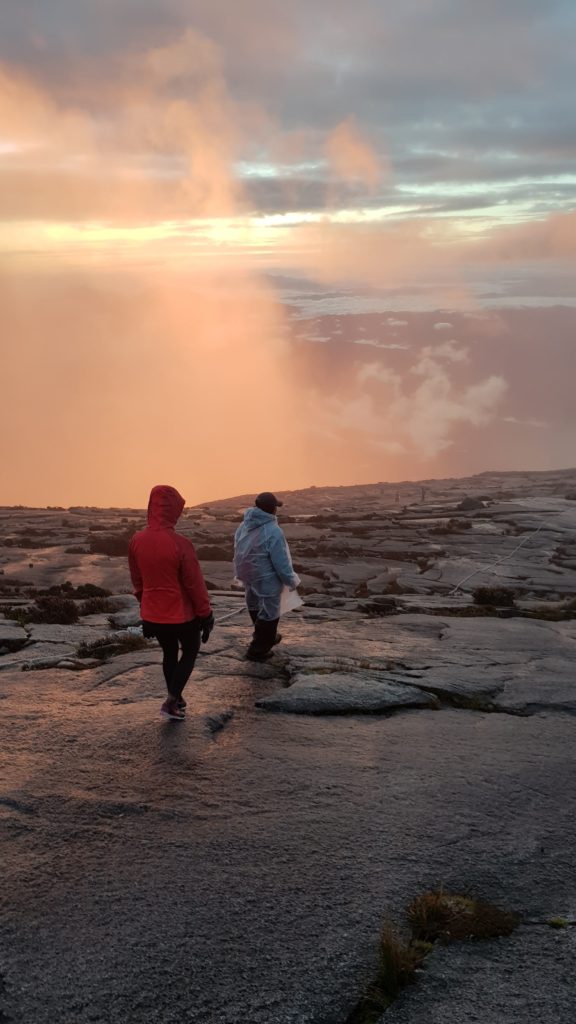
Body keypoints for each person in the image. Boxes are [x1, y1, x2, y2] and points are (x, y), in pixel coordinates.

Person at [128, 484, 214, 720]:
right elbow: (194, 583)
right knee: (190, 650)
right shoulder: (180, 543)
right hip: (181, 614)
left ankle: (176, 696)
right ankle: (171, 702)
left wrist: (144, 605)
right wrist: (205, 614)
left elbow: (137, 579)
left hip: (153, 613)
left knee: (169, 652)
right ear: (174, 509)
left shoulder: (136, 540)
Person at [234, 491, 300, 662]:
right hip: (266, 576)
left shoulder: (244, 525)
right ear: (272, 509)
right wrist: (291, 580)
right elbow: (281, 561)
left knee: (254, 603)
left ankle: (266, 636)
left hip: (248, 574)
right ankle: (258, 649)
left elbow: (238, 548)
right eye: (275, 507)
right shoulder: (272, 530)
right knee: (270, 611)